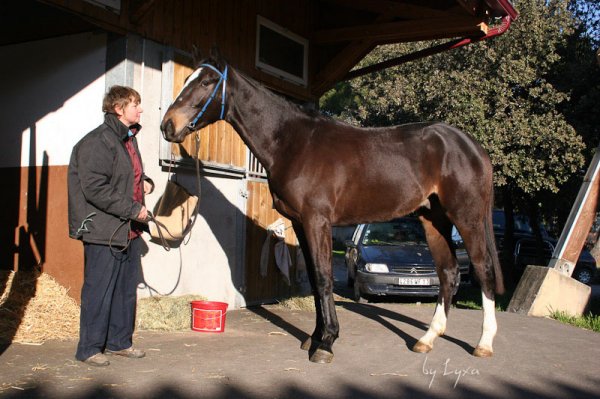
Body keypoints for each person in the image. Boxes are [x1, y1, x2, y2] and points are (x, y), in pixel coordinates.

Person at [67, 85, 154, 367]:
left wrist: (145, 181)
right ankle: (89, 348)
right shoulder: (98, 142)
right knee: (99, 290)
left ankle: (119, 342)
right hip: (104, 230)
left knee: (125, 290)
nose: (140, 109)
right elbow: (95, 188)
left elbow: (125, 175)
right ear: (118, 109)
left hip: (128, 230)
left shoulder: (127, 139)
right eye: (135, 105)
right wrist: (134, 209)